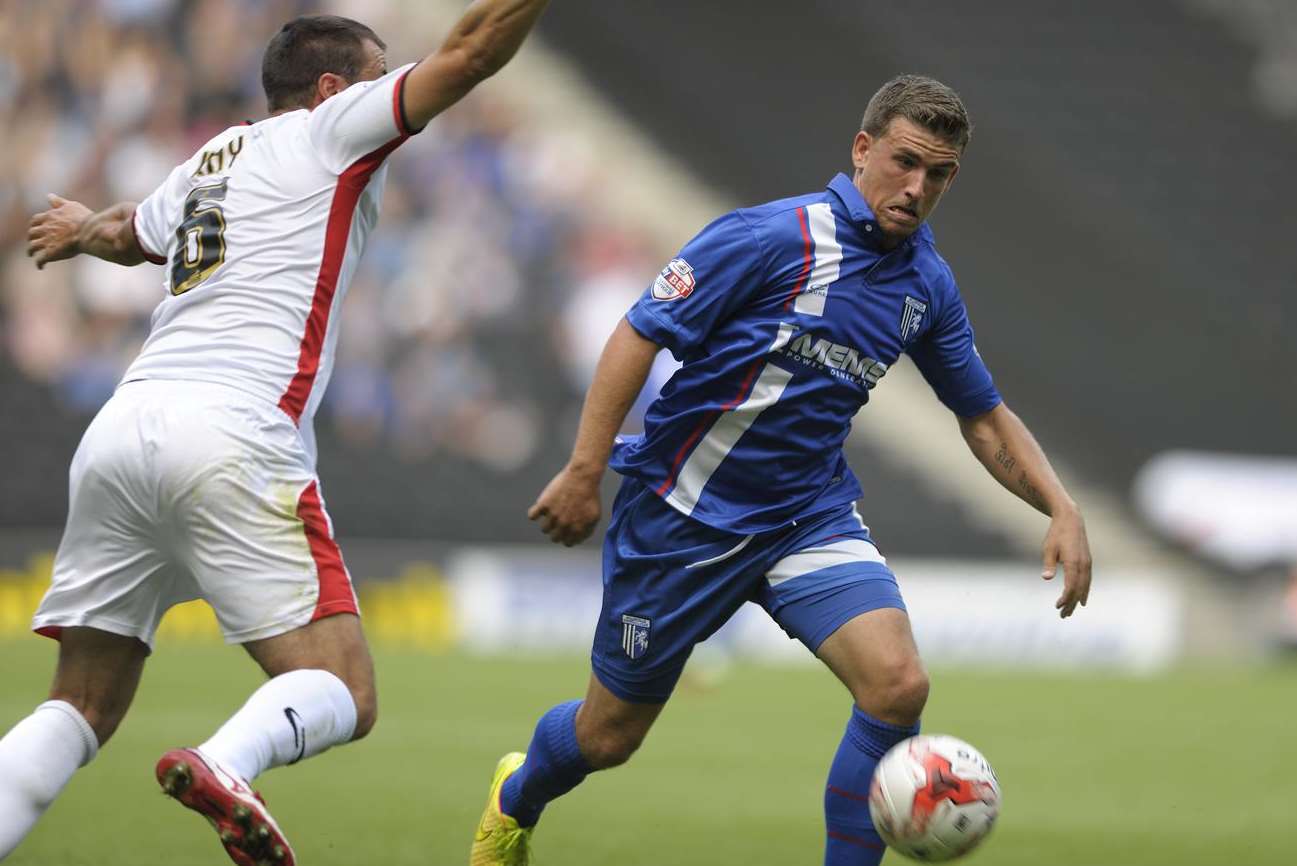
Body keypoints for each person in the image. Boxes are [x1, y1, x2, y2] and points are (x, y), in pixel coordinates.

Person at [471, 74, 1093, 866]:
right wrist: (585, 467)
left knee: (897, 685)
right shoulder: (770, 238)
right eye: (904, 161)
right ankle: (514, 797)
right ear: (862, 149)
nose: (916, 187)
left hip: (805, 516)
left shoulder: (926, 284)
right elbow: (638, 331)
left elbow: (979, 414)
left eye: (936, 175)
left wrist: (1059, 506)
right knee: (606, 737)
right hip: (680, 517)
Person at [5, 3, 549, 864]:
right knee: (343, 688)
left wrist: (76, 232)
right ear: (332, 89)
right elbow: (473, 49)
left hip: (123, 426)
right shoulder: (334, 130)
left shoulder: (211, 157)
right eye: (378, 75)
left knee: (79, 704)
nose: (389, 92)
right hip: (236, 429)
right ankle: (228, 762)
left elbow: (124, 231)